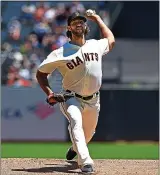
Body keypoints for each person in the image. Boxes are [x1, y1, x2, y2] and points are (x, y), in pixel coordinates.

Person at [36, 10, 115, 173]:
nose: (79, 24)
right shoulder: (60, 52)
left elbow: (111, 40)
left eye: (82, 21)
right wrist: (50, 93)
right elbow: (41, 74)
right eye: (75, 22)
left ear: (85, 26)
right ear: (69, 28)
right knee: (76, 123)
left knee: (89, 133)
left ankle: (75, 148)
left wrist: (99, 19)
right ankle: (86, 162)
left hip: (93, 99)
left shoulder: (95, 44)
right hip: (71, 97)